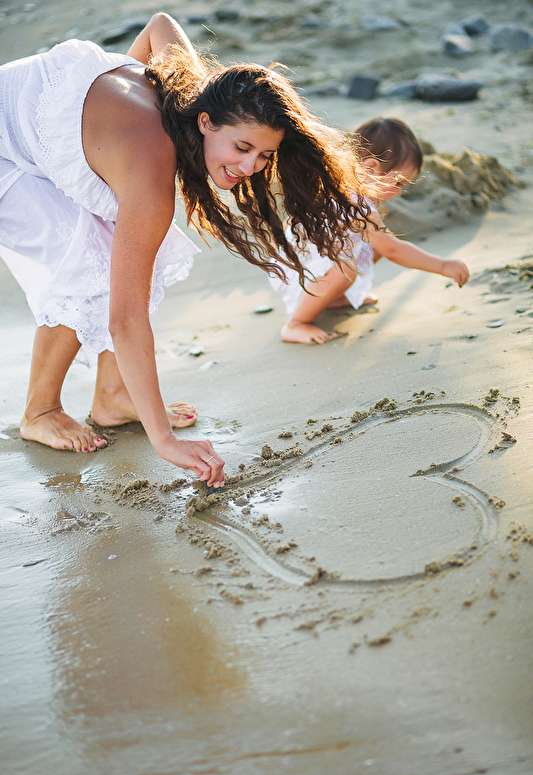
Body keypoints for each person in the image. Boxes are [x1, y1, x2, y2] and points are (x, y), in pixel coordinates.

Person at [0, 12, 374, 485]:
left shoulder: (195, 92)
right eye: (241, 147)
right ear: (205, 122)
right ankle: (40, 411)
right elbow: (125, 318)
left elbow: (160, 24)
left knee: (127, 248)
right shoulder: (150, 165)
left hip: (32, 124)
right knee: (91, 264)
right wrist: (164, 440)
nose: (250, 167)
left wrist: (102, 117)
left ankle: (114, 395)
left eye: (264, 155)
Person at [269, 117, 470, 344]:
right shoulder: (353, 204)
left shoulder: (345, 186)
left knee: (372, 248)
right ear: (371, 168)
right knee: (347, 268)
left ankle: (334, 298)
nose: (400, 192)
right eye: (399, 183)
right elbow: (394, 250)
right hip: (298, 273)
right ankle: (296, 323)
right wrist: (442, 266)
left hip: (311, 264)